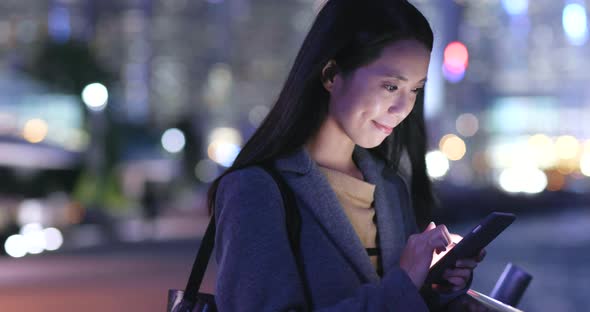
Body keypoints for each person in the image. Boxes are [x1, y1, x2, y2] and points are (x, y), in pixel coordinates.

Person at [207, 0, 485, 310]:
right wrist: (406, 279)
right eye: (391, 86)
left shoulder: (390, 188)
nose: (403, 108)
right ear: (331, 74)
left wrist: (434, 283)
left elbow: (399, 298)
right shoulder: (256, 190)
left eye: (415, 90)